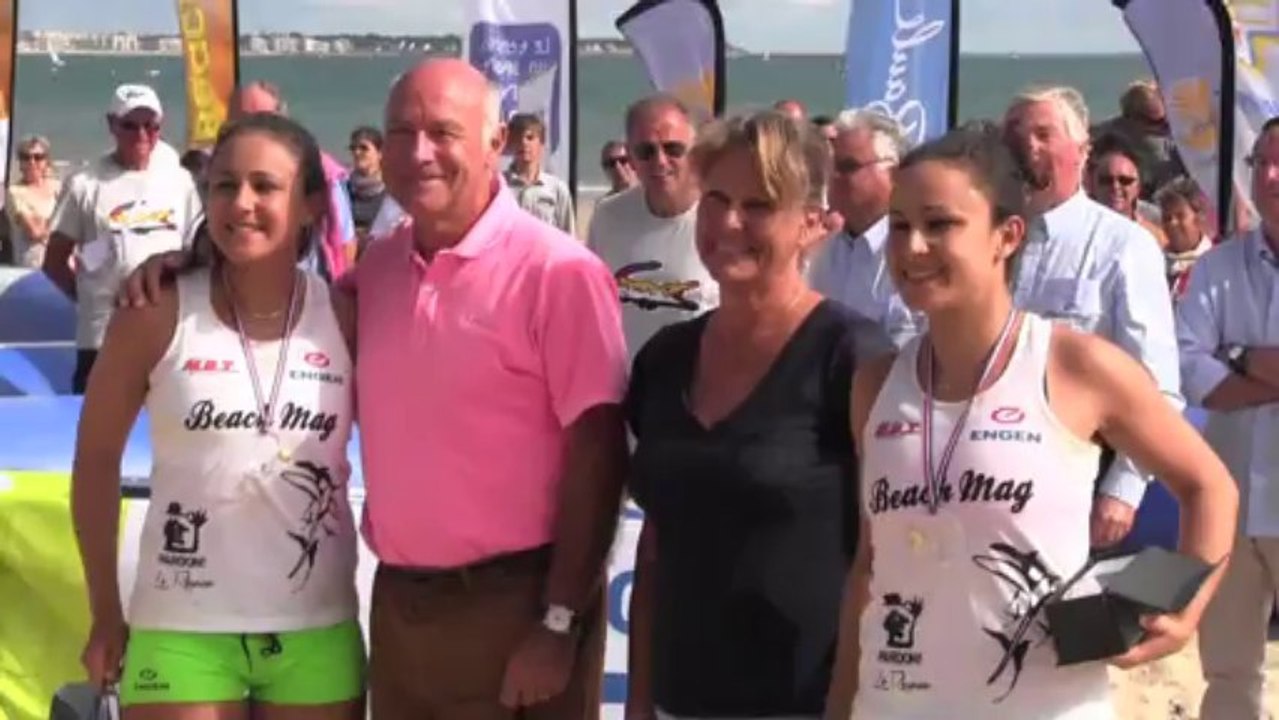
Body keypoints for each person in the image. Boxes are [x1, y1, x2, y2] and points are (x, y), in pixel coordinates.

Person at [828, 125, 1236, 719]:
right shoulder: (875, 383)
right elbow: (870, 564)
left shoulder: (1076, 365)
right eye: (899, 225)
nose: (912, 246)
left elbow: (1209, 488)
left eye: (939, 224)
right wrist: (842, 705)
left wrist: (1178, 606)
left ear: (1006, 235)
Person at [73, 113, 363, 718]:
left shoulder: (347, 316)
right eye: (225, 185)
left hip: (317, 626)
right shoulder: (153, 309)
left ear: (311, 204)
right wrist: (105, 611)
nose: (242, 203)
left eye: (266, 185)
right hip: (182, 626)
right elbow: (96, 461)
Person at [625, 110, 890, 720]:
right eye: (716, 198)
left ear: (814, 225)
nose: (728, 222)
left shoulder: (854, 359)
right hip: (676, 702)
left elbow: (882, 562)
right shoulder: (665, 359)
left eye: (760, 204)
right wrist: (638, 704)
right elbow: (656, 546)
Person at [1002, 86, 1183, 548]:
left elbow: (1156, 383)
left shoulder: (1122, 247)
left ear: (1082, 152)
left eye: (1044, 133)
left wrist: (1123, 488)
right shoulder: (989, 242)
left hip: (1080, 474)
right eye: (1016, 133)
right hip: (989, 474)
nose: (1028, 145)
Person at [1178, 116, 1279, 720]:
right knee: (1228, 669)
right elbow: (1188, 367)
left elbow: (1210, 363)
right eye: (1260, 162)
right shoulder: (1218, 268)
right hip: (1232, 494)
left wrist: (1235, 357)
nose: (1269, 176)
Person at [43, 83, 203, 394]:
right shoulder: (84, 184)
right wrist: (88, 297)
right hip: (102, 339)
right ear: (111, 125)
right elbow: (54, 262)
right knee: (98, 436)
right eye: (130, 125)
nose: (141, 134)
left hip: (166, 340)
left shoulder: (180, 182)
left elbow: (197, 251)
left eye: (150, 126)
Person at [588, 95, 717, 358]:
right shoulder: (608, 216)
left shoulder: (720, 218)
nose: (660, 161)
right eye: (646, 151)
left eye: (673, 149)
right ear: (631, 158)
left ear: (695, 152)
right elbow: (592, 309)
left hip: (697, 388)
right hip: (627, 387)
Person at [808, 108, 918, 346]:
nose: (834, 177)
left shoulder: (915, 252)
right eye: (831, 167)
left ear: (894, 173)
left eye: (848, 167)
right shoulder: (824, 257)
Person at [229, 80, 357, 281]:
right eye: (244, 122)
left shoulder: (321, 169)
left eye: (262, 121)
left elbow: (343, 239)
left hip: (311, 284)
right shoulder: (222, 169)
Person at [1085, 132, 1167, 249]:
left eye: (1125, 180)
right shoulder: (1077, 230)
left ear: (1138, 186)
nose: (1115, 187)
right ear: (1092, 183)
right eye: (1106, 180)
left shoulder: (1154, 236)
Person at [504, 112, 576, 234]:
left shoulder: (556, 188)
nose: (524, 143)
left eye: (530, 137)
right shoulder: (499, 186)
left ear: (541, 143)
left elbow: (569, 236)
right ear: (510, 144)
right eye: (517, 138)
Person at [6, 135, 61, 268]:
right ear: (20, 162)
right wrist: (59, 223)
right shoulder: (15, 192)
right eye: (26, 157)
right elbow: (34, 231)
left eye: (38, 157)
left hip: (61, 264)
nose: (32, 162)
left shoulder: (57, 186)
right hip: (33, 266)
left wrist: (44, 222)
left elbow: (76, 225)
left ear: (46, 161)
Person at [1155, 176, 1212, 300]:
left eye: (1180, 216)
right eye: (1167, 218)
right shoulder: (1155, 263)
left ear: (1199, 216)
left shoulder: (1214, 264)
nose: (1172, 223)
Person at [345, 125, 387, 251]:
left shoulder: (392, 192)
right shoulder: (342, 188)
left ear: (380, 153)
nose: (357, 152)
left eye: (364, 148)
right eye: (353, 148)